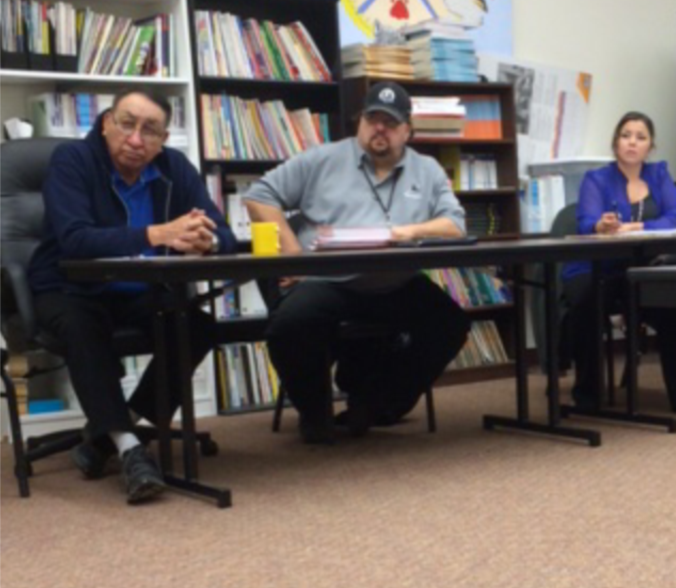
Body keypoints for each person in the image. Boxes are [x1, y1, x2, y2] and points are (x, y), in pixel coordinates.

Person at [28, 90, 236, 503]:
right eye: (127, 124)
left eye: (151, 130)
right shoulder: (74, 160)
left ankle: (106, 436)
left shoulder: (174, 168)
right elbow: (75, 239)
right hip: (69, 287)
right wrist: (158, 235)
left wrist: (205, 241)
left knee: (196, 325)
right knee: (82, 328)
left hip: (139, 290)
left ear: (163, 140)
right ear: (106, 122)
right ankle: (128, 448)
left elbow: (225, 235)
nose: (137, 139)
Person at [242, 80, 470, 443]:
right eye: (372, 119)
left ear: (407, 131)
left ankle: (377, 403)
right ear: (359, 122)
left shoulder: (427, 170)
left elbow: (455, 225)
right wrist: (294, 254)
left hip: (393, 282)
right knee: (290, 325)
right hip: (327, 279)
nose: (380, 129)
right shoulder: (323, 158)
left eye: (390, 123)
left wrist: (407, 231)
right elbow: (259, 196)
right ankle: (315, 413)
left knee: (449, 325)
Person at [562, 110, 676, 413]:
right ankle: (588, 395)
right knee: (587, 304)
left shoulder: (658, 174)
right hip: (596, 268)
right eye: (626, 135)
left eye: (640, 137)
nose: (632, 142)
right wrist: (600, 226)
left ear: (650, 147)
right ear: (616, 142)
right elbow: (585, 222)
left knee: (671, 301)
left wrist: (638, 227)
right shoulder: (597, 179)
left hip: (640, 268)